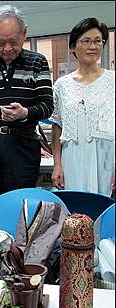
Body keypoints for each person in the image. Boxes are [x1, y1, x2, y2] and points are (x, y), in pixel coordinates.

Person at [0, 5, 54, 205]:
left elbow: (48, 105)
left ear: (24, 33)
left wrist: (24, 113)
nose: (6, 49)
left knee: (22, 203)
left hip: (24, 143)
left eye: (13, 41)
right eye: (0, 42)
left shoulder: (37, 62)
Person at [50, 18, 115, 196]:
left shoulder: (112, 81)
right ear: (73, 47)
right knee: (75, 212)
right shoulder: (62, 85)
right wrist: (57, 165)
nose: (92, 46)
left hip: (106, 158)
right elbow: (57, 127)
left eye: (97, 41)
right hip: (72, 158)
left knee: (103, 210)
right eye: (86, 41)